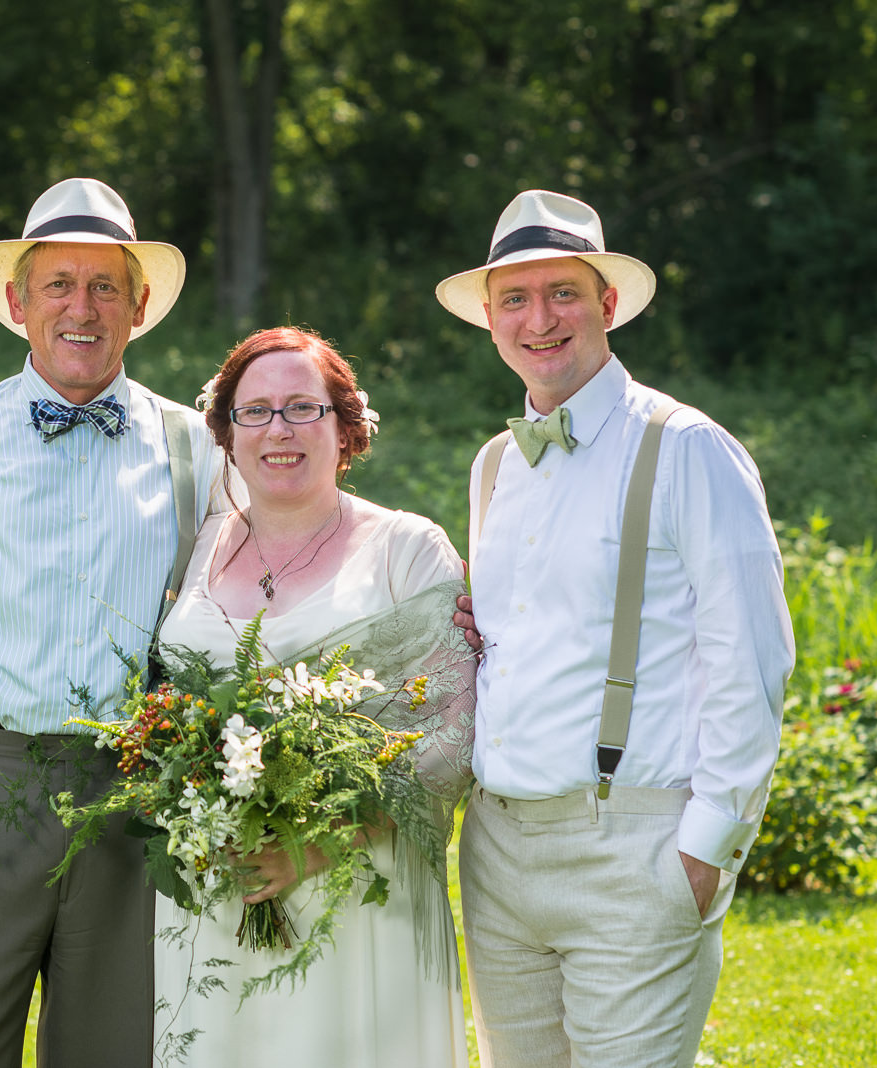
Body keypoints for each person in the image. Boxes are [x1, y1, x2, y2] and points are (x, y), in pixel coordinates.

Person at [0, 177, 231, 1068]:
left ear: (139, 306)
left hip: (135, 803)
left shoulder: (195, 445)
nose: (82, 308)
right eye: (59, 283)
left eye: (105, 286)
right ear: (19, 302)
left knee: (117, 1055)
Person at [435, 189, 795, 1067]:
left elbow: (752, 659)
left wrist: (705, 850)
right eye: (514, 299)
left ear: (607, 304)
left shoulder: (686, 448)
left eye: (562, 292)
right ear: (490, 318)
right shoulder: (493, 468)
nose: (539, 319)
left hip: (632, 850)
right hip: (496, 852)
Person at [152, 326, 476, 1067]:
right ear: (227, 434)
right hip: (216, 890)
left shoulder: (407, 548)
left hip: (360, 891)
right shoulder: (198, 546)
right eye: (255, 411)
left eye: (303, 408)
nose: (279, 431)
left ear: (346, 426)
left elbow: (454, 733)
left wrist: (318, 844)